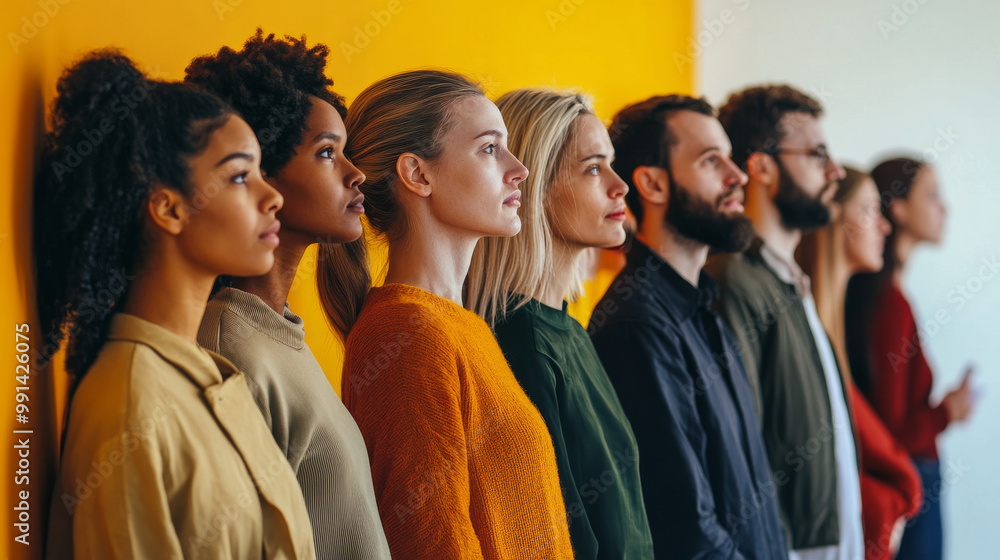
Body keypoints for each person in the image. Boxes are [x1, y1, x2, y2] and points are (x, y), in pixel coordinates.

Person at [36, 50, 315, 558]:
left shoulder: (205, 373)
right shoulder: (128, 405)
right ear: (168, 207)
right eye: (238, 176)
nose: (270, 196)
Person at [316, 70, 574, 560]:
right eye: (489, 148)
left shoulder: (461, 325)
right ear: (418, 174)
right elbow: (430, 542)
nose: (518, 169)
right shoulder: (404, 335)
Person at [184, 30, 391, 559]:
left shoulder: (279, 335)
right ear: (258, 173)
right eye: (327, 153)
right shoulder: (230, 350)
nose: (355, 173)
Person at [588, 94, 787, 559]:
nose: (737, 177)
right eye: (711, 161)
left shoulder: (702, 307)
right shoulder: (635, 324)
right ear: (653, 184)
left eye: (731, 158)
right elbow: (685, 529)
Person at [465, 88, 654, 559]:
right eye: (593, 168)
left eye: (610, 163)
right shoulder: (518, 339)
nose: (619, 185)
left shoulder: (568, 329)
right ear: (531, 187)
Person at [705, 84, 863, 560]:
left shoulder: (790, 281)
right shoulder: (734, 279)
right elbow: (740, 451)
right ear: (763, 167)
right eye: (817, 155)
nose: (834, 171)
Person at [846, 157, 976, 560]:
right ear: (898, 209)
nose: (945, 208)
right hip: (909, 485)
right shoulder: (889, 304)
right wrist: (945, 413)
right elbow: (892, 432)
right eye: (932, 196)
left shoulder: (884, 295)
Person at [797, 167, 923, 559]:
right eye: (869, 210)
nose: (884, 226)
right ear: (834, 219)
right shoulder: (805, 318)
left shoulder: (830, 317)